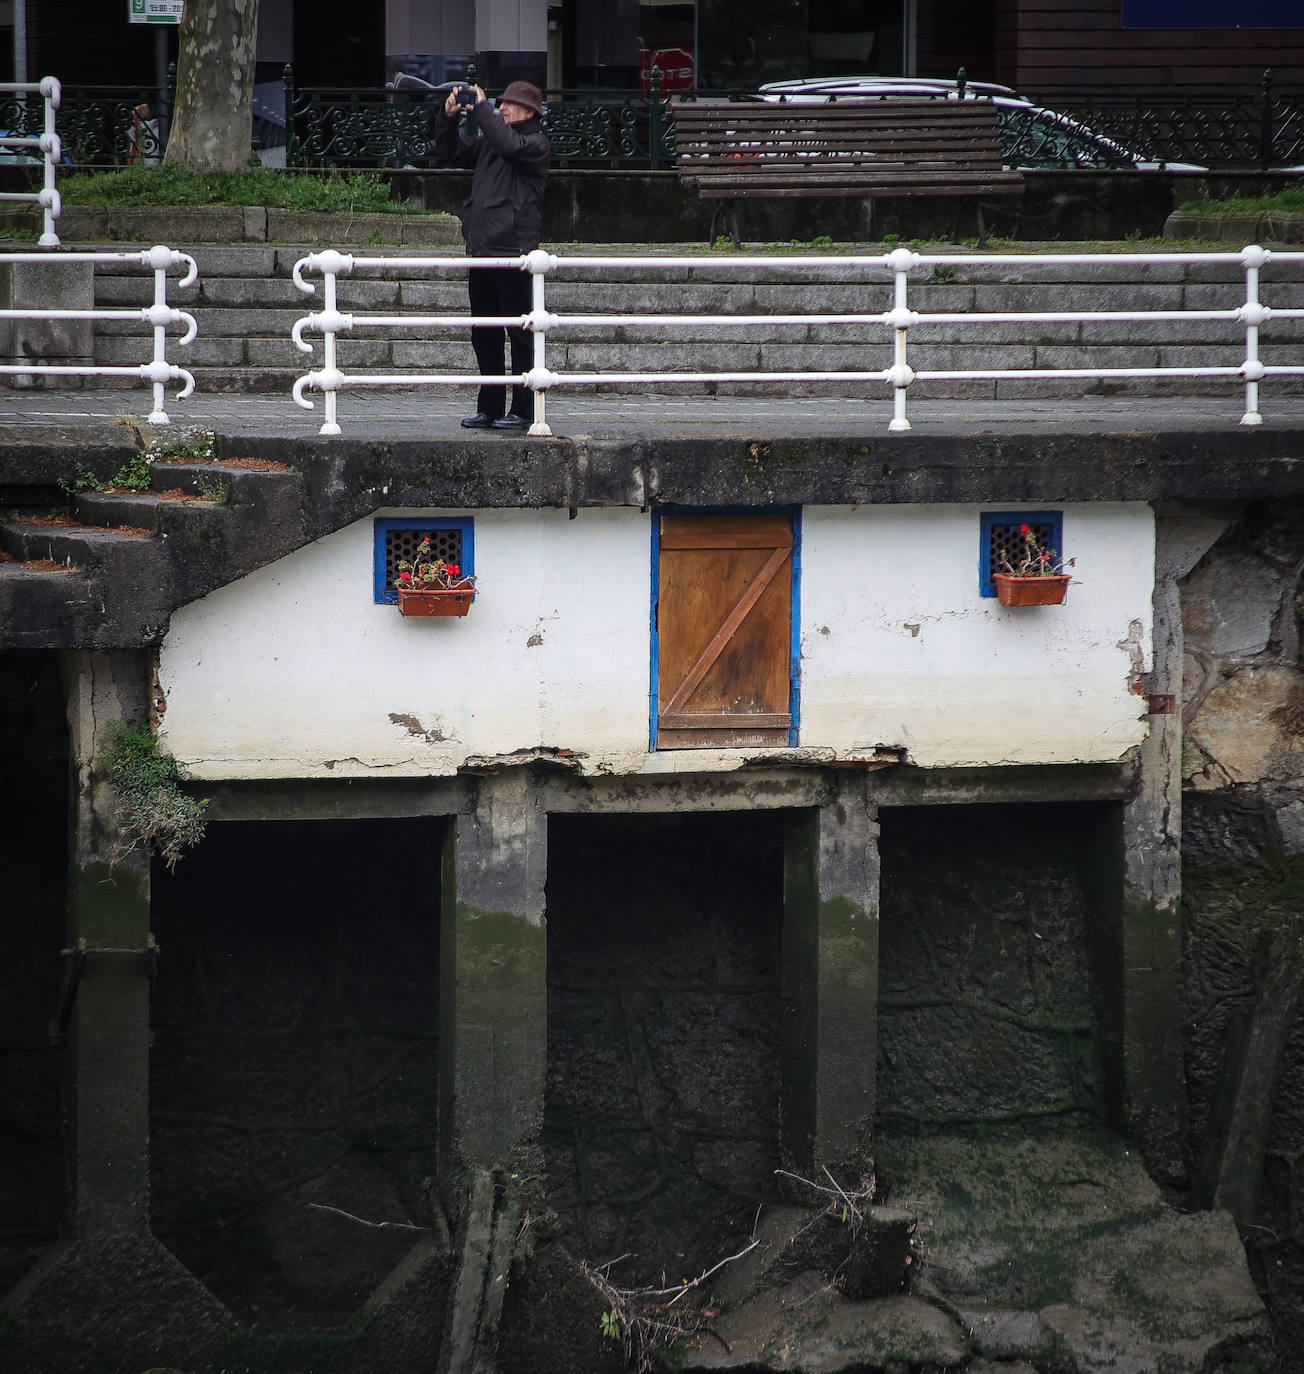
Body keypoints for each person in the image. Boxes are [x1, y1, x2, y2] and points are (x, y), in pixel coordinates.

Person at [433, 80, 550, 431]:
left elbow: (509, 145)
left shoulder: (534, 144)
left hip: (514, 252)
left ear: (529, 112)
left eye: (509, 104)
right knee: (484, 333)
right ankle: (490, 407)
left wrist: (481, 109)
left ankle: (526, 409)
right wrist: (448, 117)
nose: (501, 107)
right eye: (499, 103)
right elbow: (450, 151)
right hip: (483, 250)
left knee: (520, 333)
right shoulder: (493, 141)